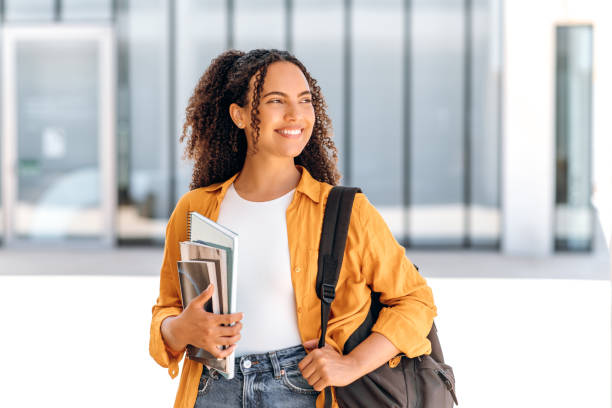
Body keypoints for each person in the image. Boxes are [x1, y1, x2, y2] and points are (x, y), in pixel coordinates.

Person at [149, 48, 438, 408]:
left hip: (304, 390)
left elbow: (415, 300)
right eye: (275, 100)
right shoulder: (194, 211)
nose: (295, 114)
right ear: (238, 115)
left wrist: (351, 365)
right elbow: (166, 309)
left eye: (305, 100)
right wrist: (179, 330)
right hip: (211, 390)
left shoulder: (346, 212)